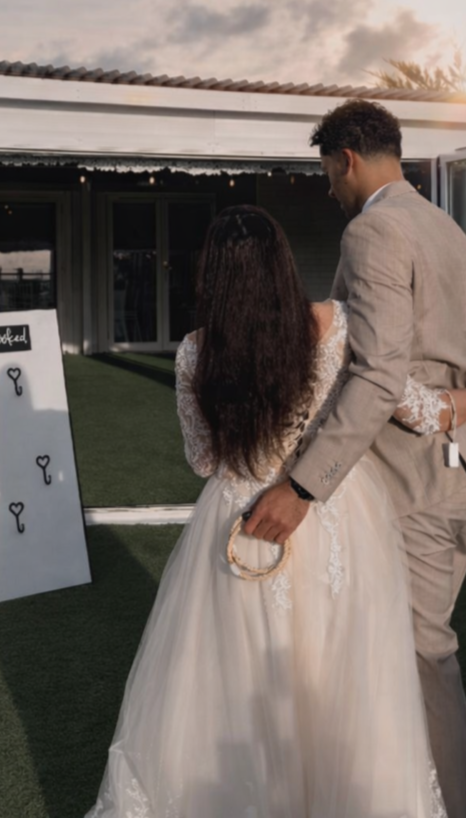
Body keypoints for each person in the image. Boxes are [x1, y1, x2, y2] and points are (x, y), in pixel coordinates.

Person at [84, 203, 460, 818]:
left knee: (234, 690)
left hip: (242, 521)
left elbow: (204, 460)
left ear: (214, 278)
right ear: (284, 262)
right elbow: (407, 404)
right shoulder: (335, 327)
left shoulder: (193, 354)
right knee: (344, 685)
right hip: (337, 520)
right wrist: (457, 403)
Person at [245, 101, 466, 818]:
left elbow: (373, 372)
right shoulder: (448, 228)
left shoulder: (372, 231)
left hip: (415, 482)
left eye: (326, 174)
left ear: (346, 158)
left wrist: (302, 488)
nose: (329, 191)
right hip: (456, 463)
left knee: (421, 660)